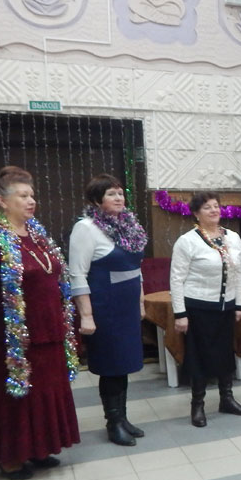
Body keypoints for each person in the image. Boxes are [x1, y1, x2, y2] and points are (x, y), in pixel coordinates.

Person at [0, 166, 80, 479]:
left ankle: (38, 448)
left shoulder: (36, 235)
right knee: (12, 398)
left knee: (43, 395)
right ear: (2, 201)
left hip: (47, 334)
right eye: (23, 195)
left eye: (32, 195)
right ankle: (9, 456)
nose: (31, 200)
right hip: (9, 341)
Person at [69, 174, 147, 446]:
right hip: (105, 308)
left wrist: (140, 302)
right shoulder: (86, 228)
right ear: (96, 200)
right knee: (111, 367)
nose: (119, 198)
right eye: (111, 194)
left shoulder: (128, 225)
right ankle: (113, 423)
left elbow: (136, 268)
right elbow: (77, 274)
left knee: (123, 365)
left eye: (120, 193)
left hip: (127, 309)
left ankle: (123, 418)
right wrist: (86, 315)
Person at [170, 191, 241, 426]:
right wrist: (180, 313)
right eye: (207, 207)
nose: (214, 210)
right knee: (199, 358)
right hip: (198, 308)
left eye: (216, 206)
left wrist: (238, 304)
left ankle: (227, 398)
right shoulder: (187, 241)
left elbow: (238, 273)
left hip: (226, 308)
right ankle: (197, 405)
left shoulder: (233, 237)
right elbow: (176, 279)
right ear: (196, 213)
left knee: (226, 353)